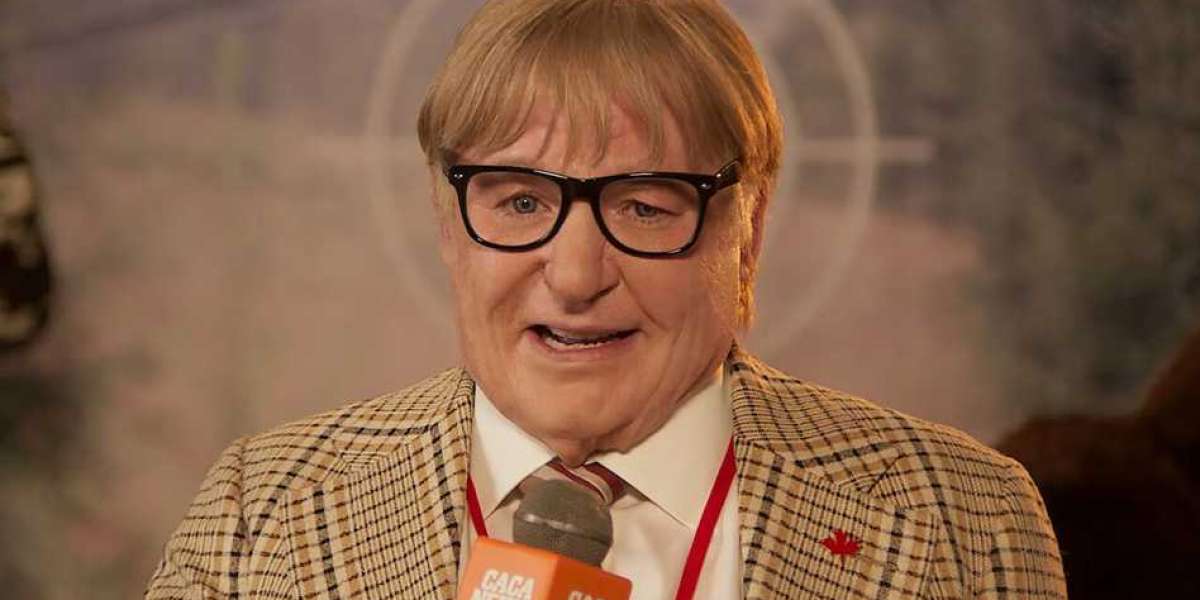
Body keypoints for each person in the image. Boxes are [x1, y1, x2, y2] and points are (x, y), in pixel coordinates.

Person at [146, 1, 1066, 598]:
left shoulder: (963, 520)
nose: (576, 274)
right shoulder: (264, 515)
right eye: (520, 202)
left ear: (748, 228)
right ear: (447, 223)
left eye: (643, 205)